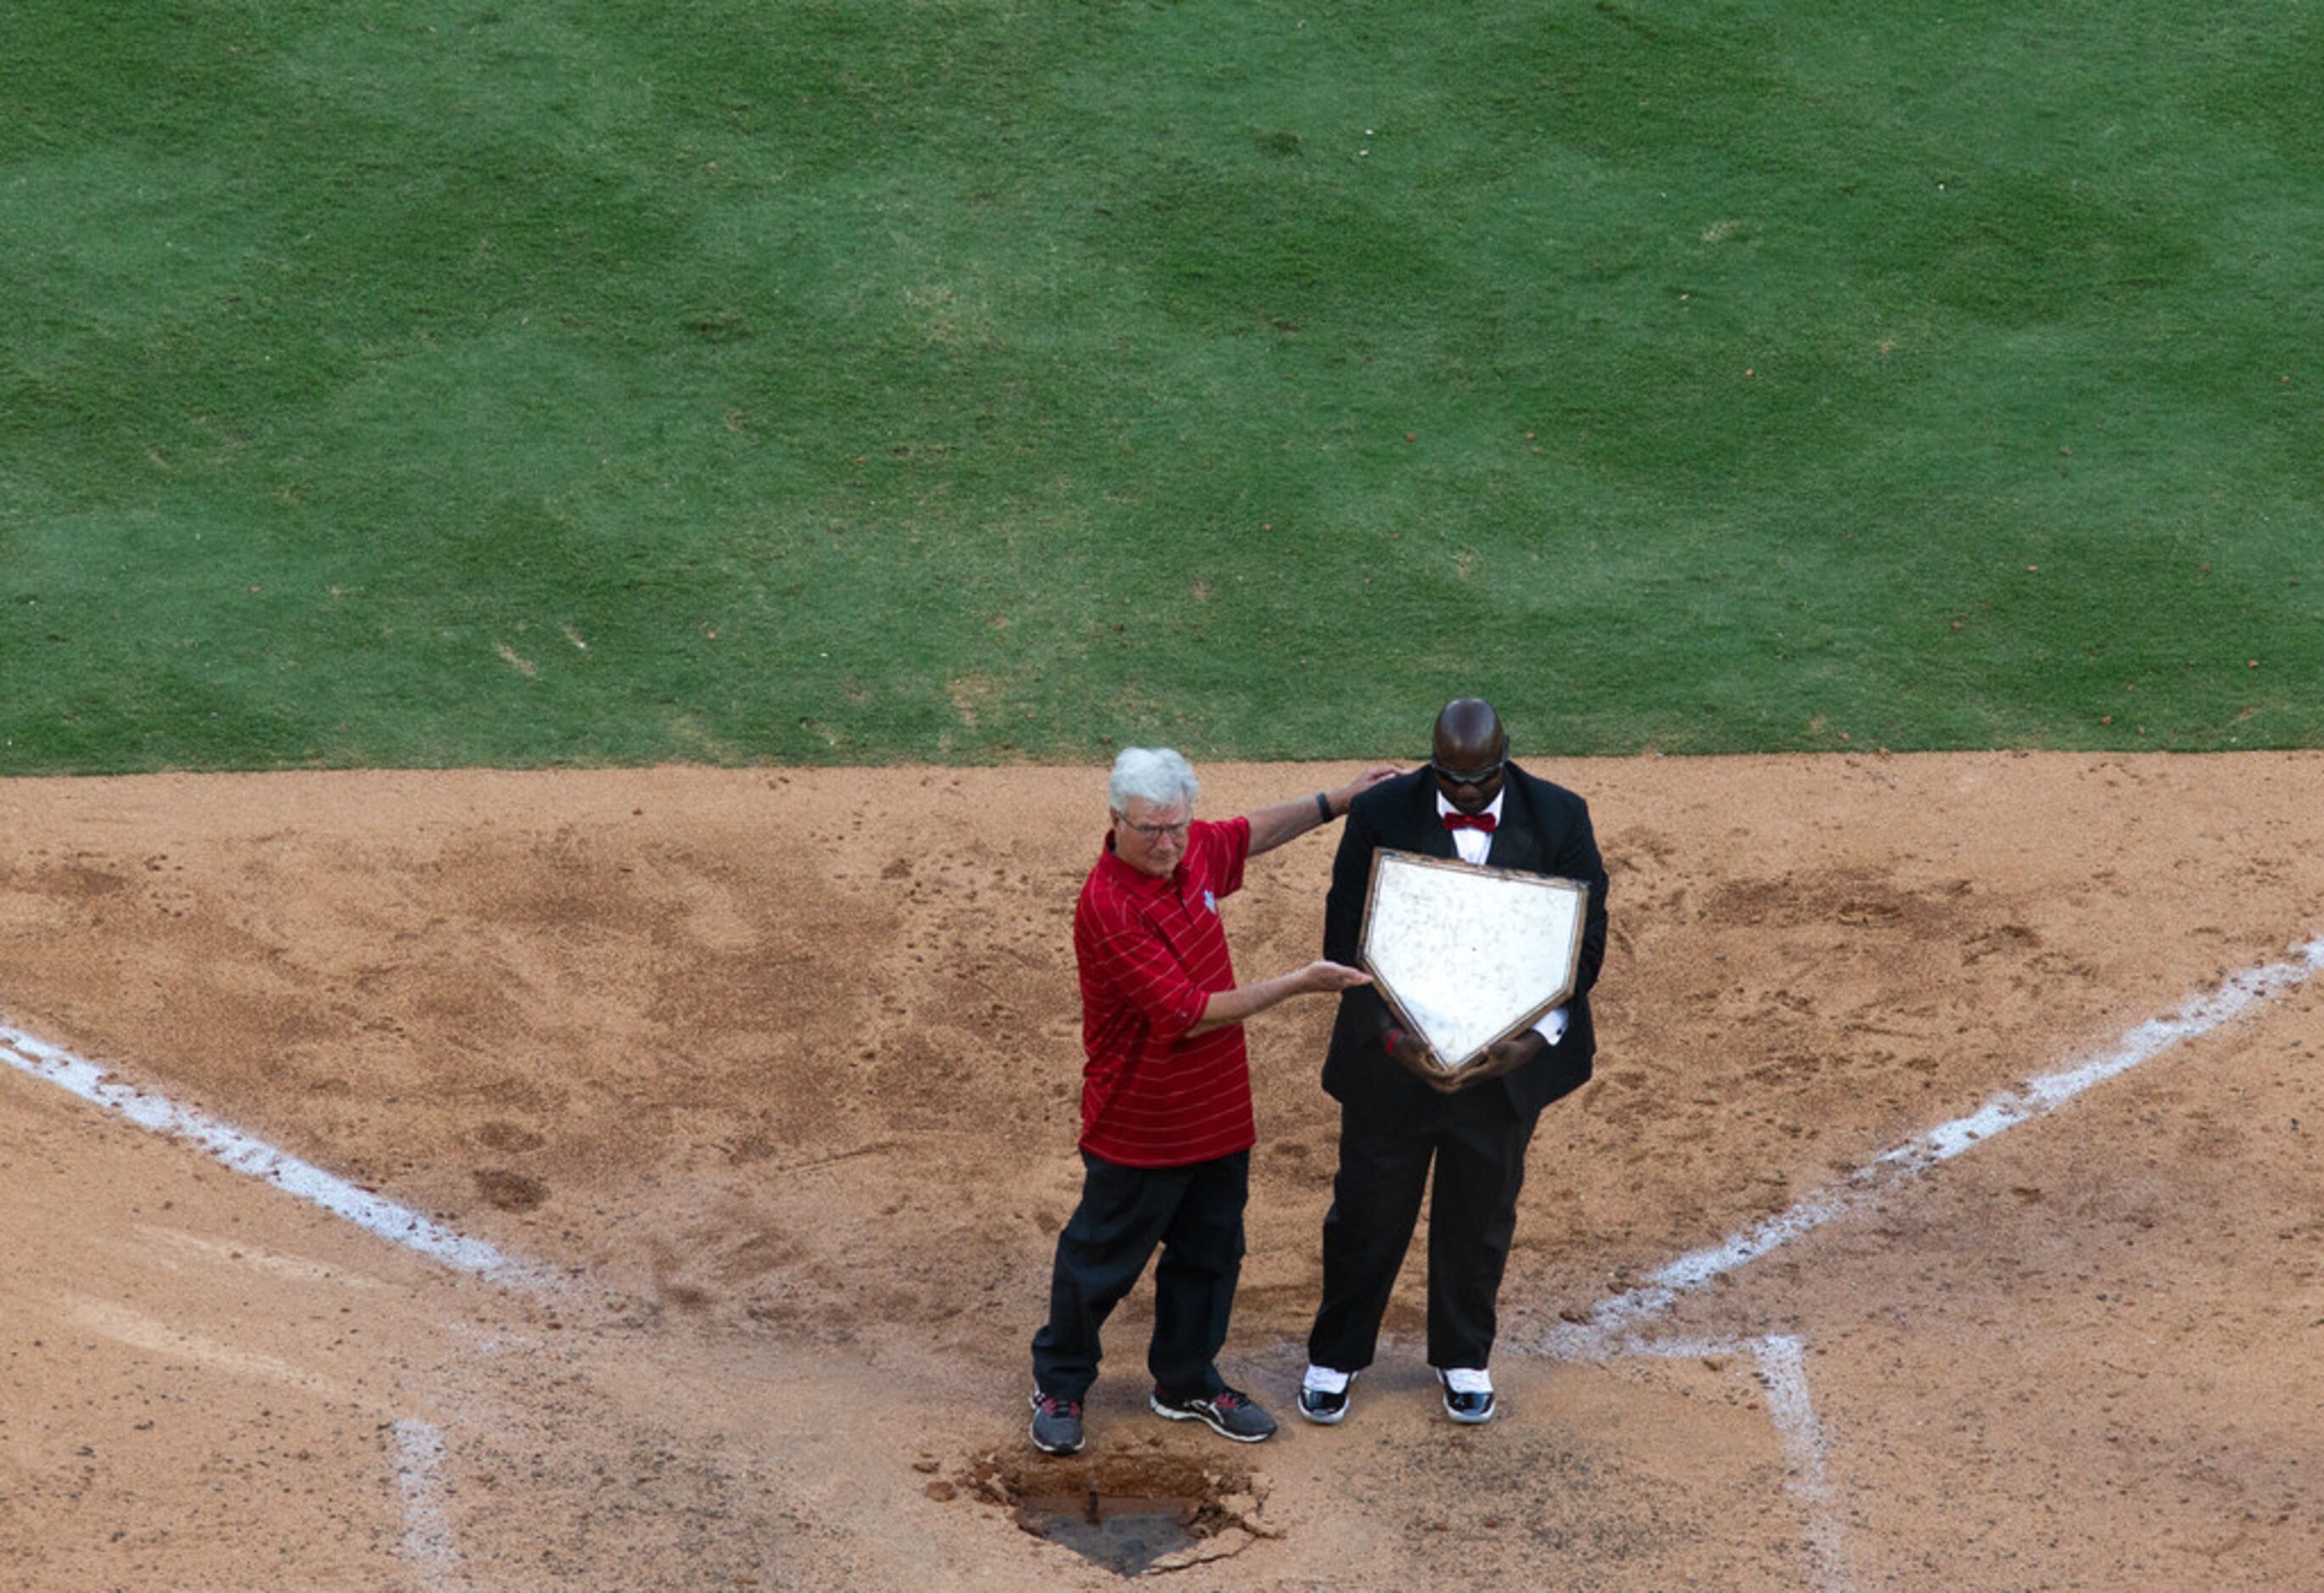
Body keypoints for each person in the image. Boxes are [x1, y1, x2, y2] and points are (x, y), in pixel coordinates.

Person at [1028, 746, 1397, 1456]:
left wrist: (1337, 800)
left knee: (1211, 1254)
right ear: (1114, 821)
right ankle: (1059, 1382)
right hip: (1139, 1123)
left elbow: (1246, 834)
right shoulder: (1109, 906)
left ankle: (1185, 1380)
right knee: (1098, 1261)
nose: (1167, 845)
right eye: (1149, 832)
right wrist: (1298, 982)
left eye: (1176, 827)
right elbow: (1189, 1014)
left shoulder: (1188, 850)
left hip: (1218, 1114)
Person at [1298, 698, 1609, 1427]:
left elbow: (1580, 949)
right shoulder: (1380, 813)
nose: (1465, 793)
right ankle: (1336, 1355)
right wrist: (1393, 1042)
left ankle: (1462, 1355)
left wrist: (1527, 1044)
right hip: (1393, 1064)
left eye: (1481, 780)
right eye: (1450, 779)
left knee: (1480, 1213)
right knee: (1366, 1213)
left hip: (1503, 1068)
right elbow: (1346, 937)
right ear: (1431, 761)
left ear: (1506, 759)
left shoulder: (1561, 816)